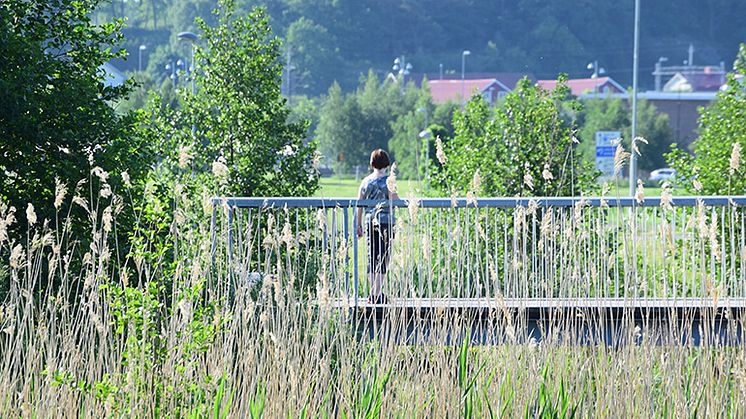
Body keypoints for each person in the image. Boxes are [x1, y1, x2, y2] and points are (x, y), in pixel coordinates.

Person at [356, 149, 398, 304]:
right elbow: (395, 199)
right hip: (385, 222)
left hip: (369, 221)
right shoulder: (389, 181)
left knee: (372, 257)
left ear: (372, 163)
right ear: (386, 163)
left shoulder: (365, 181)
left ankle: (373, 293)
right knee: (383, 257)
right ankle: (377, 294)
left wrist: (358, 224)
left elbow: (359, 204)